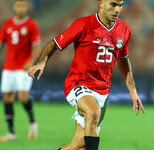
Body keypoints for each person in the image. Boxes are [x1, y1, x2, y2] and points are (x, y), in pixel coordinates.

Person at [28, 0, 145, 149]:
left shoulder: (124, 30)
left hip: (102, 90)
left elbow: (123, 60)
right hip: (78, 83)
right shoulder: (84, 24)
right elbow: (55, 43)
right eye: (113, 4)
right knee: (93, 111)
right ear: (101, 3)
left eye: (120, 5)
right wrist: (42, 62)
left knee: (79, 145)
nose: (118, 9)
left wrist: (132, 91)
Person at [0, 0, 41, 141]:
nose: (21, 8)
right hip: (8, 67)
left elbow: (37, 45)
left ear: (27, 7)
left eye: (23, 6)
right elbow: (1, 43)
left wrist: (31, 61)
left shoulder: (31, 24)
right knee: (7, 98)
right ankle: (11, 133)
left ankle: (32, 121)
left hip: (23, 68)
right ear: (14, 7)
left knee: (23, 97)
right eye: (19, 6)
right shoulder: (7, 24)